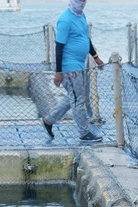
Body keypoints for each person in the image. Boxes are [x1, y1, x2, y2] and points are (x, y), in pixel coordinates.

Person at [42, 0, 103, 143]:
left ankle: (48, 120)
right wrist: (58, 72)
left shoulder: (81, 16)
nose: (82, 2)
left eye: (84, 0)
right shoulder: (65, 20)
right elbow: (59, 47)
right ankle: (84, 133)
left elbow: (85, 38)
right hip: (70, 67)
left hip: (80, 65)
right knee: (78, 100)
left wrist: (96, 57)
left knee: (74, 97)